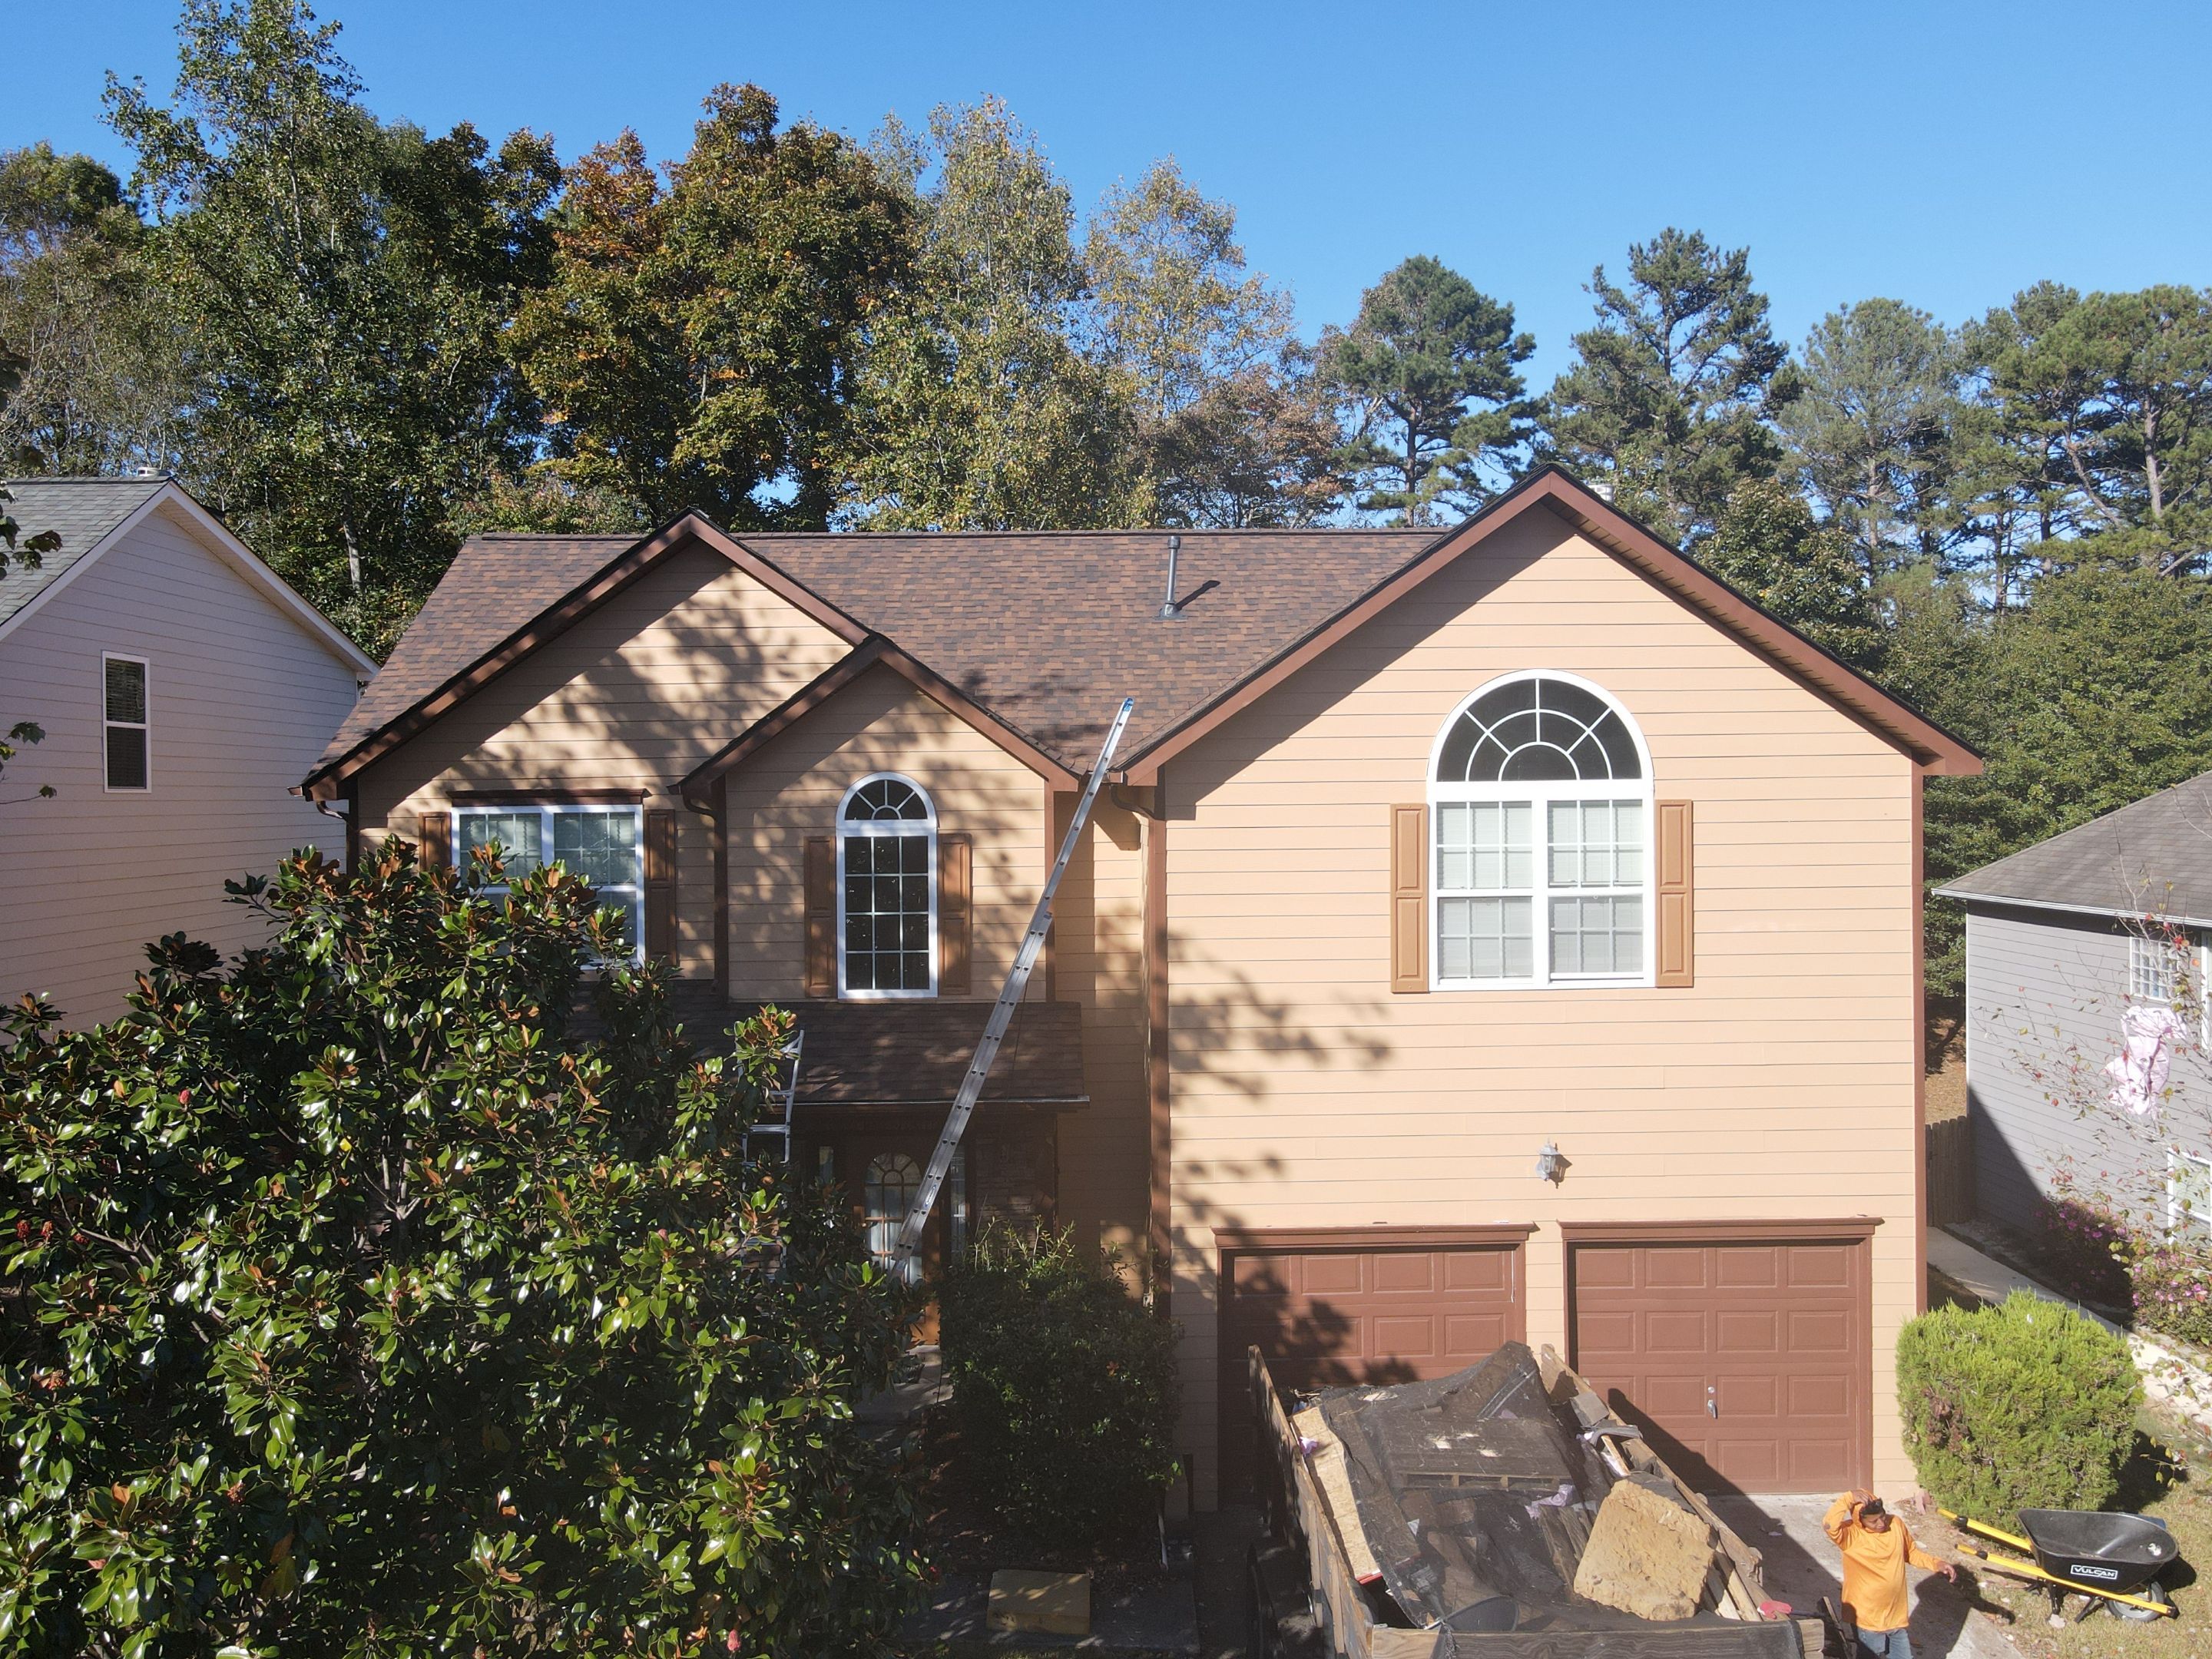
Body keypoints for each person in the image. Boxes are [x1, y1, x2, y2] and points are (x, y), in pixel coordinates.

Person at [1823, 1490, 1957, 1658]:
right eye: (1873, 1521)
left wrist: (1936, 1563)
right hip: (1868, 1618)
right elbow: (1829, 1525)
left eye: (1882, 1517)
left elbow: (1911, 1553)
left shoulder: (1896, 1525)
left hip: (1895, 1616)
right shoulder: (1850, 1535)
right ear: (1860, 1521)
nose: (1881, 1524)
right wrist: (1847, 1499)